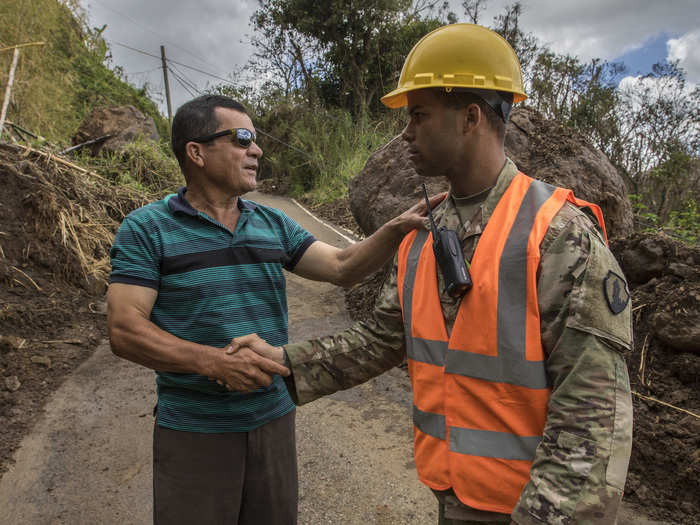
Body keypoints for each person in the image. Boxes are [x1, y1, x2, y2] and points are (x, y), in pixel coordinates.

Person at [232, 24, 634, 525]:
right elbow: (381, 339)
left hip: (528, 509)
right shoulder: (423, 231)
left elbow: (593, 419)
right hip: (453, 494)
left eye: (418, 115)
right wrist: (286, 363)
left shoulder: (558, 235)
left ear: (470, 118)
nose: (406, 132)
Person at [106, 94, 443, 525]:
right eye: (242, 138)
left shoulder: (271, 223)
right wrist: (212, 363)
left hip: (273, 420)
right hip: (195, 429)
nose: (257, 150)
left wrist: (396, 228)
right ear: (197, 152)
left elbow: (342, 267)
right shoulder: (147, 229)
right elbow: (124, 329)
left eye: (256, 139)